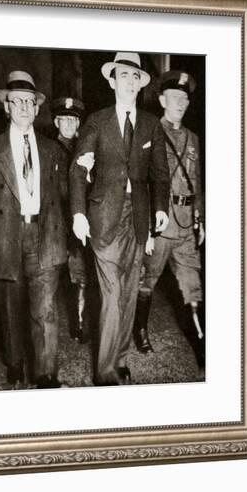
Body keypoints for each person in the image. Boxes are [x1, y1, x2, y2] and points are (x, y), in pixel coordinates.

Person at [69, 52, 170, 386]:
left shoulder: (151, 124)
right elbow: (78, 169)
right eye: (122, 76)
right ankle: (106, 373)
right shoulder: (96, 122)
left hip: (138, 219)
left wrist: (159, 209)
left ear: (140, 86)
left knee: (127, 293)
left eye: (134, 78)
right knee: (111, 294)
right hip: (103, 217)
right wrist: (79, 213)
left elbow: (160, 174)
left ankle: (121, 358)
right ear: (112, 82)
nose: (128, 83)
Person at [0, 70, 67, 389]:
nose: (24, 108)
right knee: (9, 309)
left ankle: (46, 375)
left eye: (29, 102)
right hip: (5, 236)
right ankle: (15, 364)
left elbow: (64, 195)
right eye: (17, 101)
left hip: (45, 236)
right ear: (6, 107)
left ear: (37, 108)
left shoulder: (51, 148)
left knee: (45, 310)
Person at [135, 70, 205, 367]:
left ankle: (202, 342)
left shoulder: (192, 138)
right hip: (160, 225)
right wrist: (146, 228)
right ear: (162, 99)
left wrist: (201, 216)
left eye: (185, 98)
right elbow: (142, 182)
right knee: (147, 280)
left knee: (193, 284)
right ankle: (139, 330)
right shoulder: (149, 132)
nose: (180, 102)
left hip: (187, 224)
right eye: (174, 97)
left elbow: (196, 180)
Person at [52, 97, 93, 343]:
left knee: (81, 272)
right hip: (57, 220)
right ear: (56, 122)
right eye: (64, 119)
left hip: (82, 219)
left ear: (78, 123)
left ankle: (80, 322)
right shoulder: (48, 148)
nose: (68, 123)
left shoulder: (86, 148)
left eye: (73, 119)